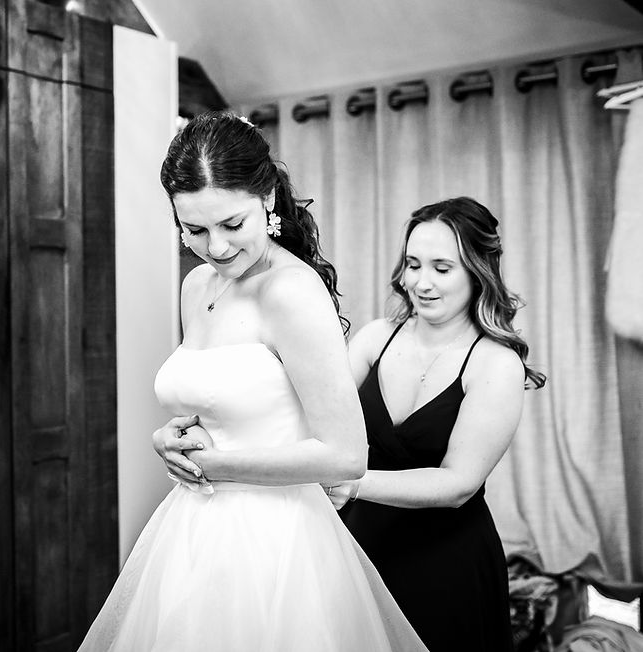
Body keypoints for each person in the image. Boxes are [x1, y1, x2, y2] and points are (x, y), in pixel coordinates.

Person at [79, 111, 427, 652]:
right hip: (192, 531)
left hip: (275, 542)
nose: (215, 247)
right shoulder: (197, 286)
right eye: (194, 229)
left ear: (266, 200)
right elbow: (221, 401)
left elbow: (346, 455)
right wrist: (169, 439)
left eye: (231, 224)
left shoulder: (290, 291)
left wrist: (212, 464)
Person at [324, 197, 547, 652]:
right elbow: (315, 420)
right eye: (412, 264)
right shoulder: (374, 339)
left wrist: (351, 482)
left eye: (442, 268)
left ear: (477, 270)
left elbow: (457, 483)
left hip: (446, 564)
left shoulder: (494, 363)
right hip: (359, 548)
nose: (421, 283)